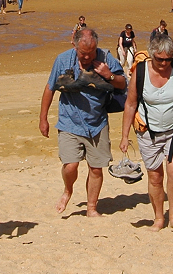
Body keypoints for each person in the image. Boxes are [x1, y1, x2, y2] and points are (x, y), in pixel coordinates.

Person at [120, 33, 173, 233]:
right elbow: (130, 104)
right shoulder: (140, 72)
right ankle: (159, 218)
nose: (164, 63)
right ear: (151, 55)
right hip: (148, 132)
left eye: (169, 59)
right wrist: (124, 136)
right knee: (155, 177)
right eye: (160, 59)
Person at [38, 27, 126, 216]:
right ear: (74, 45)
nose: (87, 57)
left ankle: (92, 208)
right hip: (69, 122)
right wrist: (43, 118)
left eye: (91, 53)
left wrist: (108, 74)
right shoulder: (62, 60)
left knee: (96, 168)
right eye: (83, 53)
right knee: (71, 165)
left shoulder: (105, 58)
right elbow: (50, 88)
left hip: (97, 123)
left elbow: (123, 83)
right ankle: (68, 190)